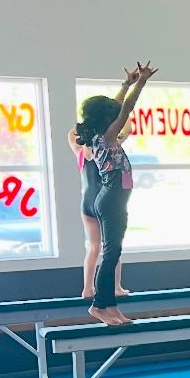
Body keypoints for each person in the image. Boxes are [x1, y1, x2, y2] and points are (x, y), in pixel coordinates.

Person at [73, 61, 156, 325]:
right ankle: (100, 305)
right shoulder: (107, 136)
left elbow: (114, 106)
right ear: (107, 119)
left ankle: (110, 305)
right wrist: (141, 84)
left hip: (112, 198)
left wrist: (125, 85)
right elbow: (125, 108)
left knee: (112, 252)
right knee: (110, 253)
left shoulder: (97, 132)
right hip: (111, 199)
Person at [67, 67, 136, 300]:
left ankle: (87, 288)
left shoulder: (80, 145)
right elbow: (122, 118)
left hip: (87, 201)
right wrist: (131, 87)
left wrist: (125, 86)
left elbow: (110, 116)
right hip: (106, 198)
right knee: (111, 248)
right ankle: (115, 287)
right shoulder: (108, 141)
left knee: (94, 247)